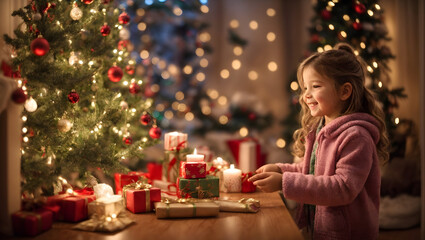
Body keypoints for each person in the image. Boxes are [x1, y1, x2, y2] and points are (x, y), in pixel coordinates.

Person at [249, 43, 389, 240]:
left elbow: (342, 188)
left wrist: (284, 182)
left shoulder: (356, 137)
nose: (306, 94)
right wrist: (281, 170)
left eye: (315, 86)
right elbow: (313, 172)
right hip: (321, 228)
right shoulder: (320, 129)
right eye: (305, 87)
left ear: (344, 91)